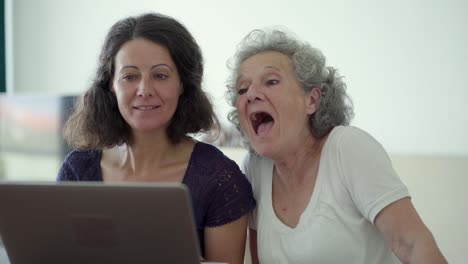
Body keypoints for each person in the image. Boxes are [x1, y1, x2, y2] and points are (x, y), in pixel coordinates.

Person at [226, 28, 447, 264]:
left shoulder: (347, 147)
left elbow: (412, 245)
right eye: (242, 89)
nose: (251, 94)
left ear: (311, 100)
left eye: (271, 81)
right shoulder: (255, 167)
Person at [57, 13, 255, 264]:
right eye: (130, 76)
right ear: (111, 84)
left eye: (160, 76)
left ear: (182, 84)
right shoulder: (78, 169)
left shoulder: (219, 178)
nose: (144, 90)